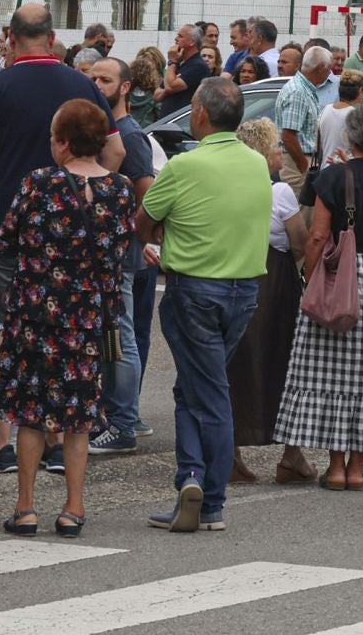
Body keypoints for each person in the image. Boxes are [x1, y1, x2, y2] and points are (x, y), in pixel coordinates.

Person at [0, 5, 119, 473]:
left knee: (7, 327)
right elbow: (115, 149)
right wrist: (88, 193)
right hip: (72, 230)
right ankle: (58, 437)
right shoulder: (81, 85)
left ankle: (1, 438)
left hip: (5, 225)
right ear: (53, 36)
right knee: (66, 332)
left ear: (11, 38)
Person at [0, 99, 133, 539]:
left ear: (64, 142)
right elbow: (123, 249)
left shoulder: (39, 183)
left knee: (31, 412)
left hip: (37, 313)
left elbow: (6, 239)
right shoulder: (121, 189)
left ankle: (27, 507)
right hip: (91, 317)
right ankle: (74, 507)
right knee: (80, 415)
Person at [137, 77, 269, 532]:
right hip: (244, 290)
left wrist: (156, 237)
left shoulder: (185, 165)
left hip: (195, 289)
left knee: (208, 393)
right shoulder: (257, 163)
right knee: (195, 388)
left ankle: (208, 495)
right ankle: (192, 480)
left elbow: (145, 219)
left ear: (200, 115)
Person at [271, 101, 363, 490]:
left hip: (342, 275)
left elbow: (320, 235)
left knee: (332, 371)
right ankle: (358, 469)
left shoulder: (334, 179)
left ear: (351, 137)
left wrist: (310, 276)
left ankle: (335, 467)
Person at [223, 120, 311, 483]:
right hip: (274, 287)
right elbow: (300, 242)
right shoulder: (280, 193)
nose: (281, 152)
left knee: (235, 367)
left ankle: (230, 452)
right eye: (277, 146)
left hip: (231, 278)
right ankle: (291, 454)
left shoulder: (227, 186)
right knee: (284, 366)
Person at [86, 56, 158, 458]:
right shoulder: (108, 132)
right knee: (112, 337)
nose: (97, 84)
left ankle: (123, 423)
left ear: (125, 87)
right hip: (112, 253)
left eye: (106, 79)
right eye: (93, 77)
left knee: (122, 338)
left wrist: (134, 237)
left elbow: (147, 192)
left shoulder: (128, 136)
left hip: (120, 255)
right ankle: (112, 417)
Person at [272, 44, 332, 192]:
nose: (330, 73)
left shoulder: (304, 88)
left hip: (301, 160)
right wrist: (304, 167)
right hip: (296, 162)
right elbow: (288, 136)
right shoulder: (298, 92)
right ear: (321, 68)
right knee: (301, 212)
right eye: (329, 69)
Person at [316, 68, 363, 165]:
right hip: (346, 170)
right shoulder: (356, 115)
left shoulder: (326, 110)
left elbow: (318, 145)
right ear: (361, 90)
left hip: (325, 169)